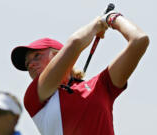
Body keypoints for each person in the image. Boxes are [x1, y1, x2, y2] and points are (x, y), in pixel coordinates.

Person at [11, 10, 149, 135]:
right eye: (27, 63)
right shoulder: (34, 97)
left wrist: (113, 18)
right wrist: (100, 22)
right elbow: (76, 43)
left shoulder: (100, 86)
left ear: (58, 54)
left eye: (37, 56)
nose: (30, 65)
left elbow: (139, 40)